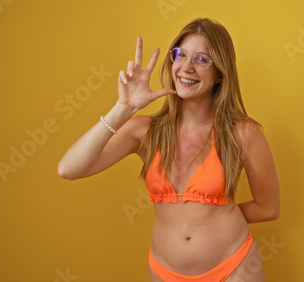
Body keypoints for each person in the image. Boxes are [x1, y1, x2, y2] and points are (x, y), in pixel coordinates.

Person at [58, 18, 280, 282]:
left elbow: (268, 208)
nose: (186, 67)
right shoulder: (146, 131)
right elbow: (68, 169)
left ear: (220, 73)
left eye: (201, 59)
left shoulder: (243, 133)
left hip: (234, 268)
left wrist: (215, 216)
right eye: (181, 55)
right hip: (165, 273)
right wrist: (124, 108)